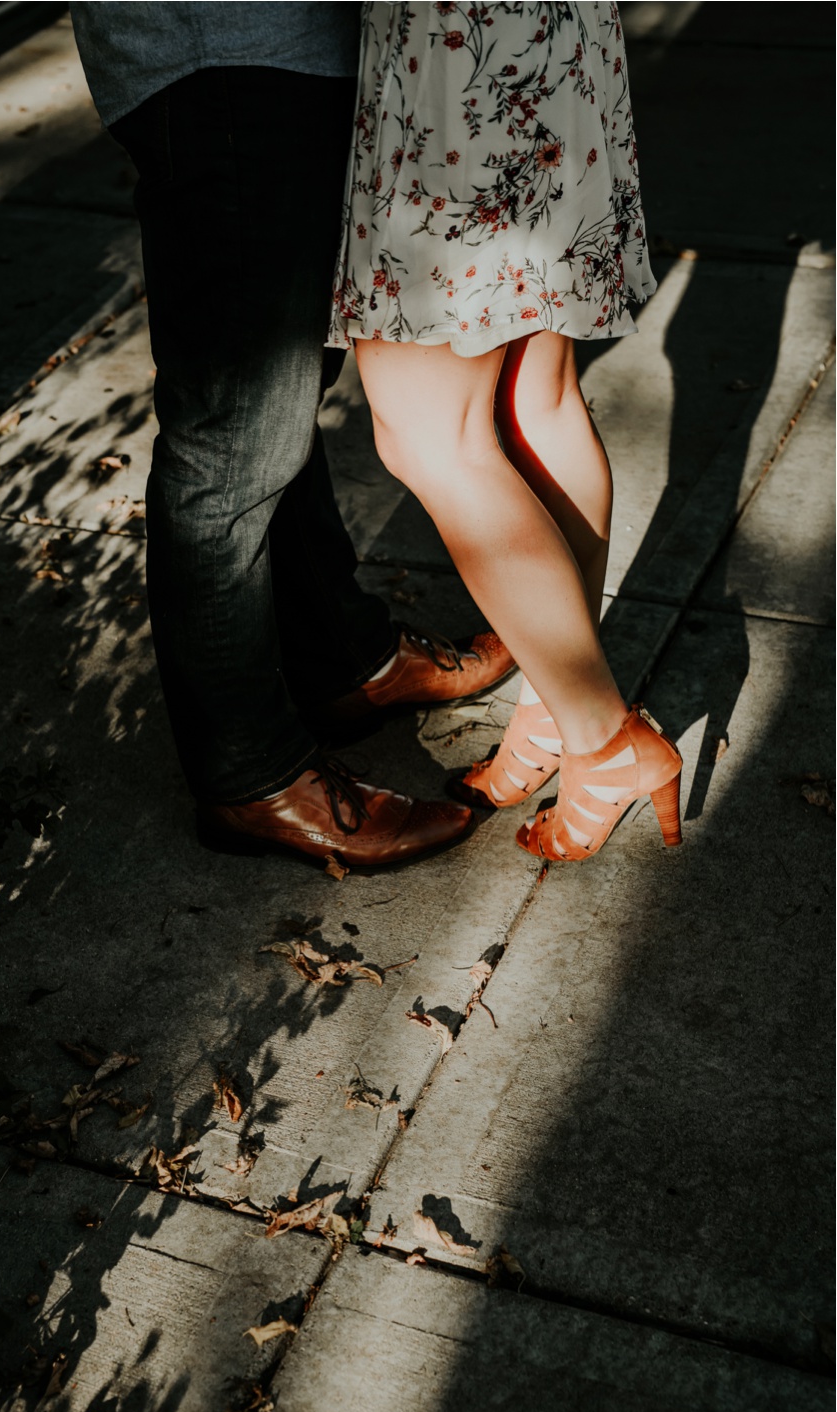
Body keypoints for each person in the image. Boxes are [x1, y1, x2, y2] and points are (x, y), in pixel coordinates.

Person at [70, 4, 517, 869]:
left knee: (275, 401)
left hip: (270, 50)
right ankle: (249, 777)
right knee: (233, 437)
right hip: (218, 55)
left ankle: (346, 660)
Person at [332, 3, 679, 861]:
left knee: (430, 434)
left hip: (451, 55)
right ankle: (556, 717)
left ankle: (601, 739)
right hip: (539, 37)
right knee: (537, 403)